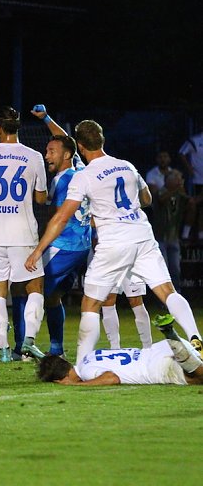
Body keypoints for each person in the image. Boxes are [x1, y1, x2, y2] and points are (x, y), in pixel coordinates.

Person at [25, 119, 202, 366]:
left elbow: (61, 218)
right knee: (166, 291)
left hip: (113, 242)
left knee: (91, 302)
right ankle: (196, 337)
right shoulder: (126, 166)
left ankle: (82, 364)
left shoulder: (84, 176)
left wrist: (38, 250)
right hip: (142, 235)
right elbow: (147, 198)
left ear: (81, 148)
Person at [0, 106, 48, 362]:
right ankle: (29, 341)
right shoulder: (34, 156)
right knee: (35, 287)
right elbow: (41, 198)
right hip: (23, 233)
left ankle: (5, 349)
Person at [28, 105, 92, 358]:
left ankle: (25, 344)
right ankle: (57, 349)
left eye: (51, 151)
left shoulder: (64, 181)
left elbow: (60, 218)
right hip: (83, 246)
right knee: (54, 297)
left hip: (65, 246)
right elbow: (68, 143)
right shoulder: (78, 169)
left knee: (31, 288)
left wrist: (38, 249)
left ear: (65, 156)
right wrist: (46, 119)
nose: (46, 155)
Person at [35, 333, 203, 386]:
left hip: (158, 367)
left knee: (198, 378)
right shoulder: (89, 356)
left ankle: (186, 354)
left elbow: (111, 378)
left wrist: (78, 384)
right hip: (160, 348)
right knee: (193, 362)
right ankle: (186, 348)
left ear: (61, 379)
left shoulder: (86, 373)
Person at [150, 168, 195, 285]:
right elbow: (161, 199)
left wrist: (185, 194)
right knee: (162, 270)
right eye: (178, 179)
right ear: (170, 181)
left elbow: (191, 202)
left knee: (175, 269)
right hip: (160, 237)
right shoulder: (160, 192)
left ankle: (177, 295)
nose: (180, 181)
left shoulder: (179, 194)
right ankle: (164, 299)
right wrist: (176, 189)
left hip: (173, 237)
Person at [177, 129, 203, 240]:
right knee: (193, 206)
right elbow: (181, 153)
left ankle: (201, 235)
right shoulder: (194, 140)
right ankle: (185, 235)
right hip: (197, 180)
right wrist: (190, 169)